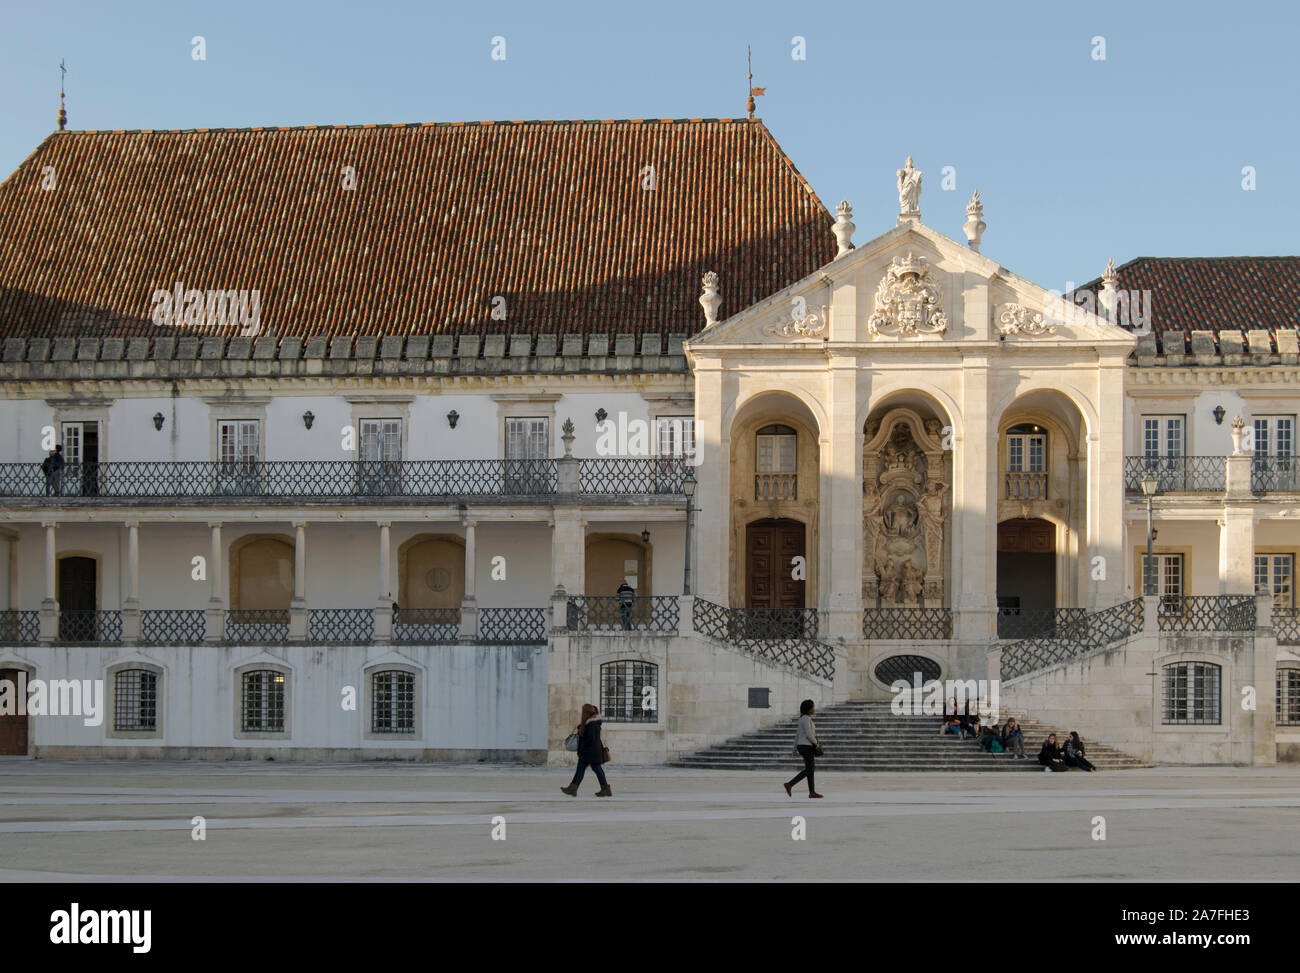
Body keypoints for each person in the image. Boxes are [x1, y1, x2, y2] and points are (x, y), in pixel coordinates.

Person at [561, 703, 612, 797]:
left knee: (592, 769)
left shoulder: (591, 724)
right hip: (591, 752)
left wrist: (582, 747)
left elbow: (590, 739)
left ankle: (604, 788)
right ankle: (574, 788)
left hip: (589, 752)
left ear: (586, 713)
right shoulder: (591, 723)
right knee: (587, 769)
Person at [784, 699, 823, 798]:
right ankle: (790, 784)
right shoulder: (806, 719)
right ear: (809, 709)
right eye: (813, 707)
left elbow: (797, 735)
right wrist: (816, 743)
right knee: (810, 769)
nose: (814, 709)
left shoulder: (803, 719)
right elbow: (809, 734)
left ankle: (812, 792)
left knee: (810, 769)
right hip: (806, 746)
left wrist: (794, 748)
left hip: (802, 746)